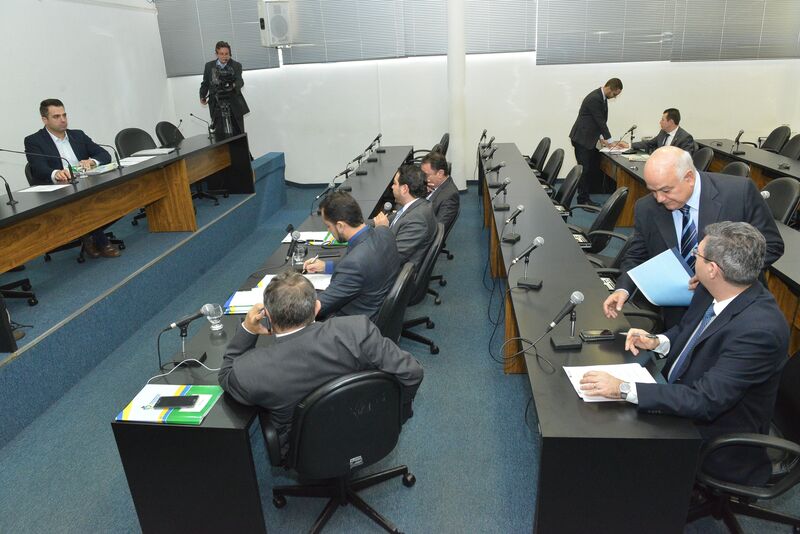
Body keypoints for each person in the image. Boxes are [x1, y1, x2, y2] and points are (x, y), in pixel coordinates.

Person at [581, 222, 788, 486]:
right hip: (680, 394)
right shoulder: (714, 289)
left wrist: (622, 389)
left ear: (713, 269)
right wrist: (657, 341)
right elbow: (688, 330)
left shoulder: (760, 331)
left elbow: (704, 400)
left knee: (603, 451)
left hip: (712, 438)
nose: (692, 257)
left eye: (697, 254)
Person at [219, 271, 423, 457]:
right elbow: (412, 372)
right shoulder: (357, 330)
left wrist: (248, 329)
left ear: (269, 317)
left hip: (308, 452)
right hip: (365, 423)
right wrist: (392, 415)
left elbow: (225, 374)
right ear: (317, 307)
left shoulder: (253, 369)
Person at [603, 146, 782, 326]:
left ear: (689, 178)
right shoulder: (647, 207)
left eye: (666, 190)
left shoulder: (738, 193)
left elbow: (772, 245)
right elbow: (636, 255)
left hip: (734, 308)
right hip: (677, 311)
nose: (659, 199)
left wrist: (720, 274)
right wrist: (623, 289)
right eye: (653, 190)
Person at [24, 99, 120, 258]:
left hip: (85, 183)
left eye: (64, 115)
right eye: (56, 116)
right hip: (59, 190)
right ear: (45, 120)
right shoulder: (34, 141)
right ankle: (102, 241)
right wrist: (56, 173)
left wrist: (92, 161)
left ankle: (88, 234)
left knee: (115, 196)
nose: (63, 120)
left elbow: (104, 154)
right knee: (86, 201)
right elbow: (38, 167)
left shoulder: (78, 135)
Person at [303, 191, 401, 321]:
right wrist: (326, 266)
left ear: (340, 226)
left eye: (328, 226)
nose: (328, 230)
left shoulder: (353, 264)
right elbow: (364, 268)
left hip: (357, 321)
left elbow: (318, 306)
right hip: (378, 305)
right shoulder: (384, 232)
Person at [569, 78, 628, 206]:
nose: (614, 97)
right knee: (585, 169)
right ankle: (583, 200)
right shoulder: (594, 98)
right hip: (582, 139)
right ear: (610, 88)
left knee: (589, 168)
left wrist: (602, 139)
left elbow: (598, 121)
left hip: (588, 138)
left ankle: (583, 195)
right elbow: (600, 121)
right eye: (615, 94)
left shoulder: (602, 98)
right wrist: (610, 142)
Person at [373, 165, 437, 274]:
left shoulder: (417, 220)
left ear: (404, 189)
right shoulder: (415, 205)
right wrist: (357, 225)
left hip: (391, 273)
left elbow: (390, 258)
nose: (392, 187)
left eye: (394, 183)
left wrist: (382, 230)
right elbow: (386, 219)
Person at [199, 41, 249, 135]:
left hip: (234, 104)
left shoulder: (236, 65)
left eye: (226, 54)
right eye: (221, 54)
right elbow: (205, 83)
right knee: (220, 134)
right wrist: (202, 96)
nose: (224, 56)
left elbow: (240, 81)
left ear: (230, 54)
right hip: (216, 104)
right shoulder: (209, 66)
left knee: (238, 134)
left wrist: (232, 85)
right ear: (216, 54)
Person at [421, 151, 460, 232]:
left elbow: (438, 230)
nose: (423, 178)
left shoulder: (450, 196)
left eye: (425, 175)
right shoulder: (433, 185)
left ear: (440, 173)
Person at [631, 108, 695, 154]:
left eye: (663, 120)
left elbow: (685, 160)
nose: (660, 122)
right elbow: (649, 143)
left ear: (671, 122)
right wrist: (630, 145)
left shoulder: (685, 138)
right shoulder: (663, 132)